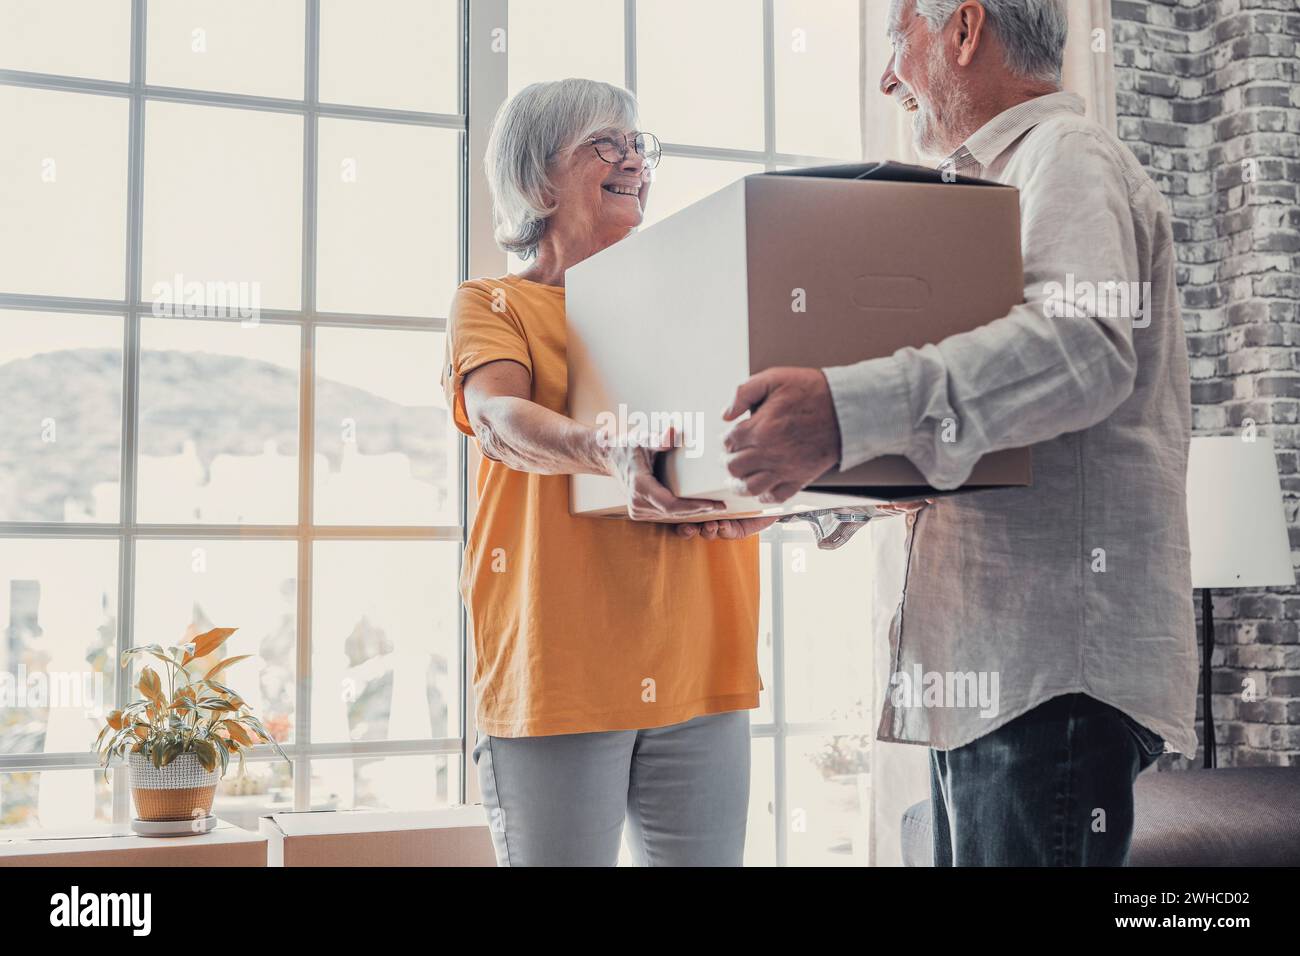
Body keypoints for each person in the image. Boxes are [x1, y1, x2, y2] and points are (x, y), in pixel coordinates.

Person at [719, 0, 1197, 865]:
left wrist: (842, 413)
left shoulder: (1069, 158)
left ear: (965, 29)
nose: (886, 77)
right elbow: (990, 446)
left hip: (1047, 674)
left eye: (895, 42)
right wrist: (800, 488)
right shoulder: (985, 195)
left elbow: (1082, 347)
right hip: (998, 672)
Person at [443, 78, 774, 867]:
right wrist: (605, 451)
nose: (633, 159)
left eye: (638, 144)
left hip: (702, 659)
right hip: (561, 667)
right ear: (537, 178)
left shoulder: (697, 297)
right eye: (605, 143)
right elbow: (499, 419)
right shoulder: (492, 302)